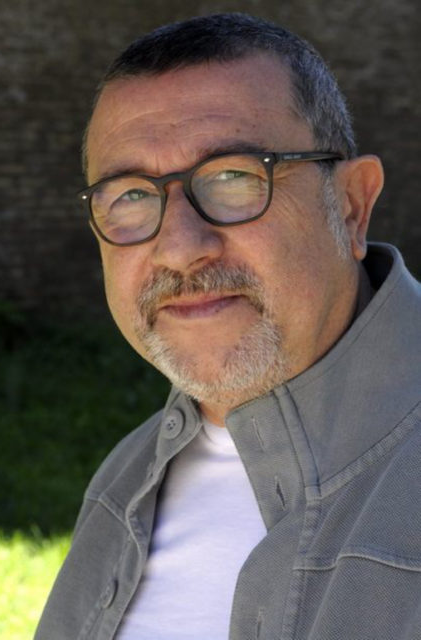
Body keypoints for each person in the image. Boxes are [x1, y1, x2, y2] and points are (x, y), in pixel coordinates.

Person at [35, 13, 421, 640]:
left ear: (351, 206)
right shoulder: (122, 484)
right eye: (131, 195)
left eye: (234, 177)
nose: (180, 248)